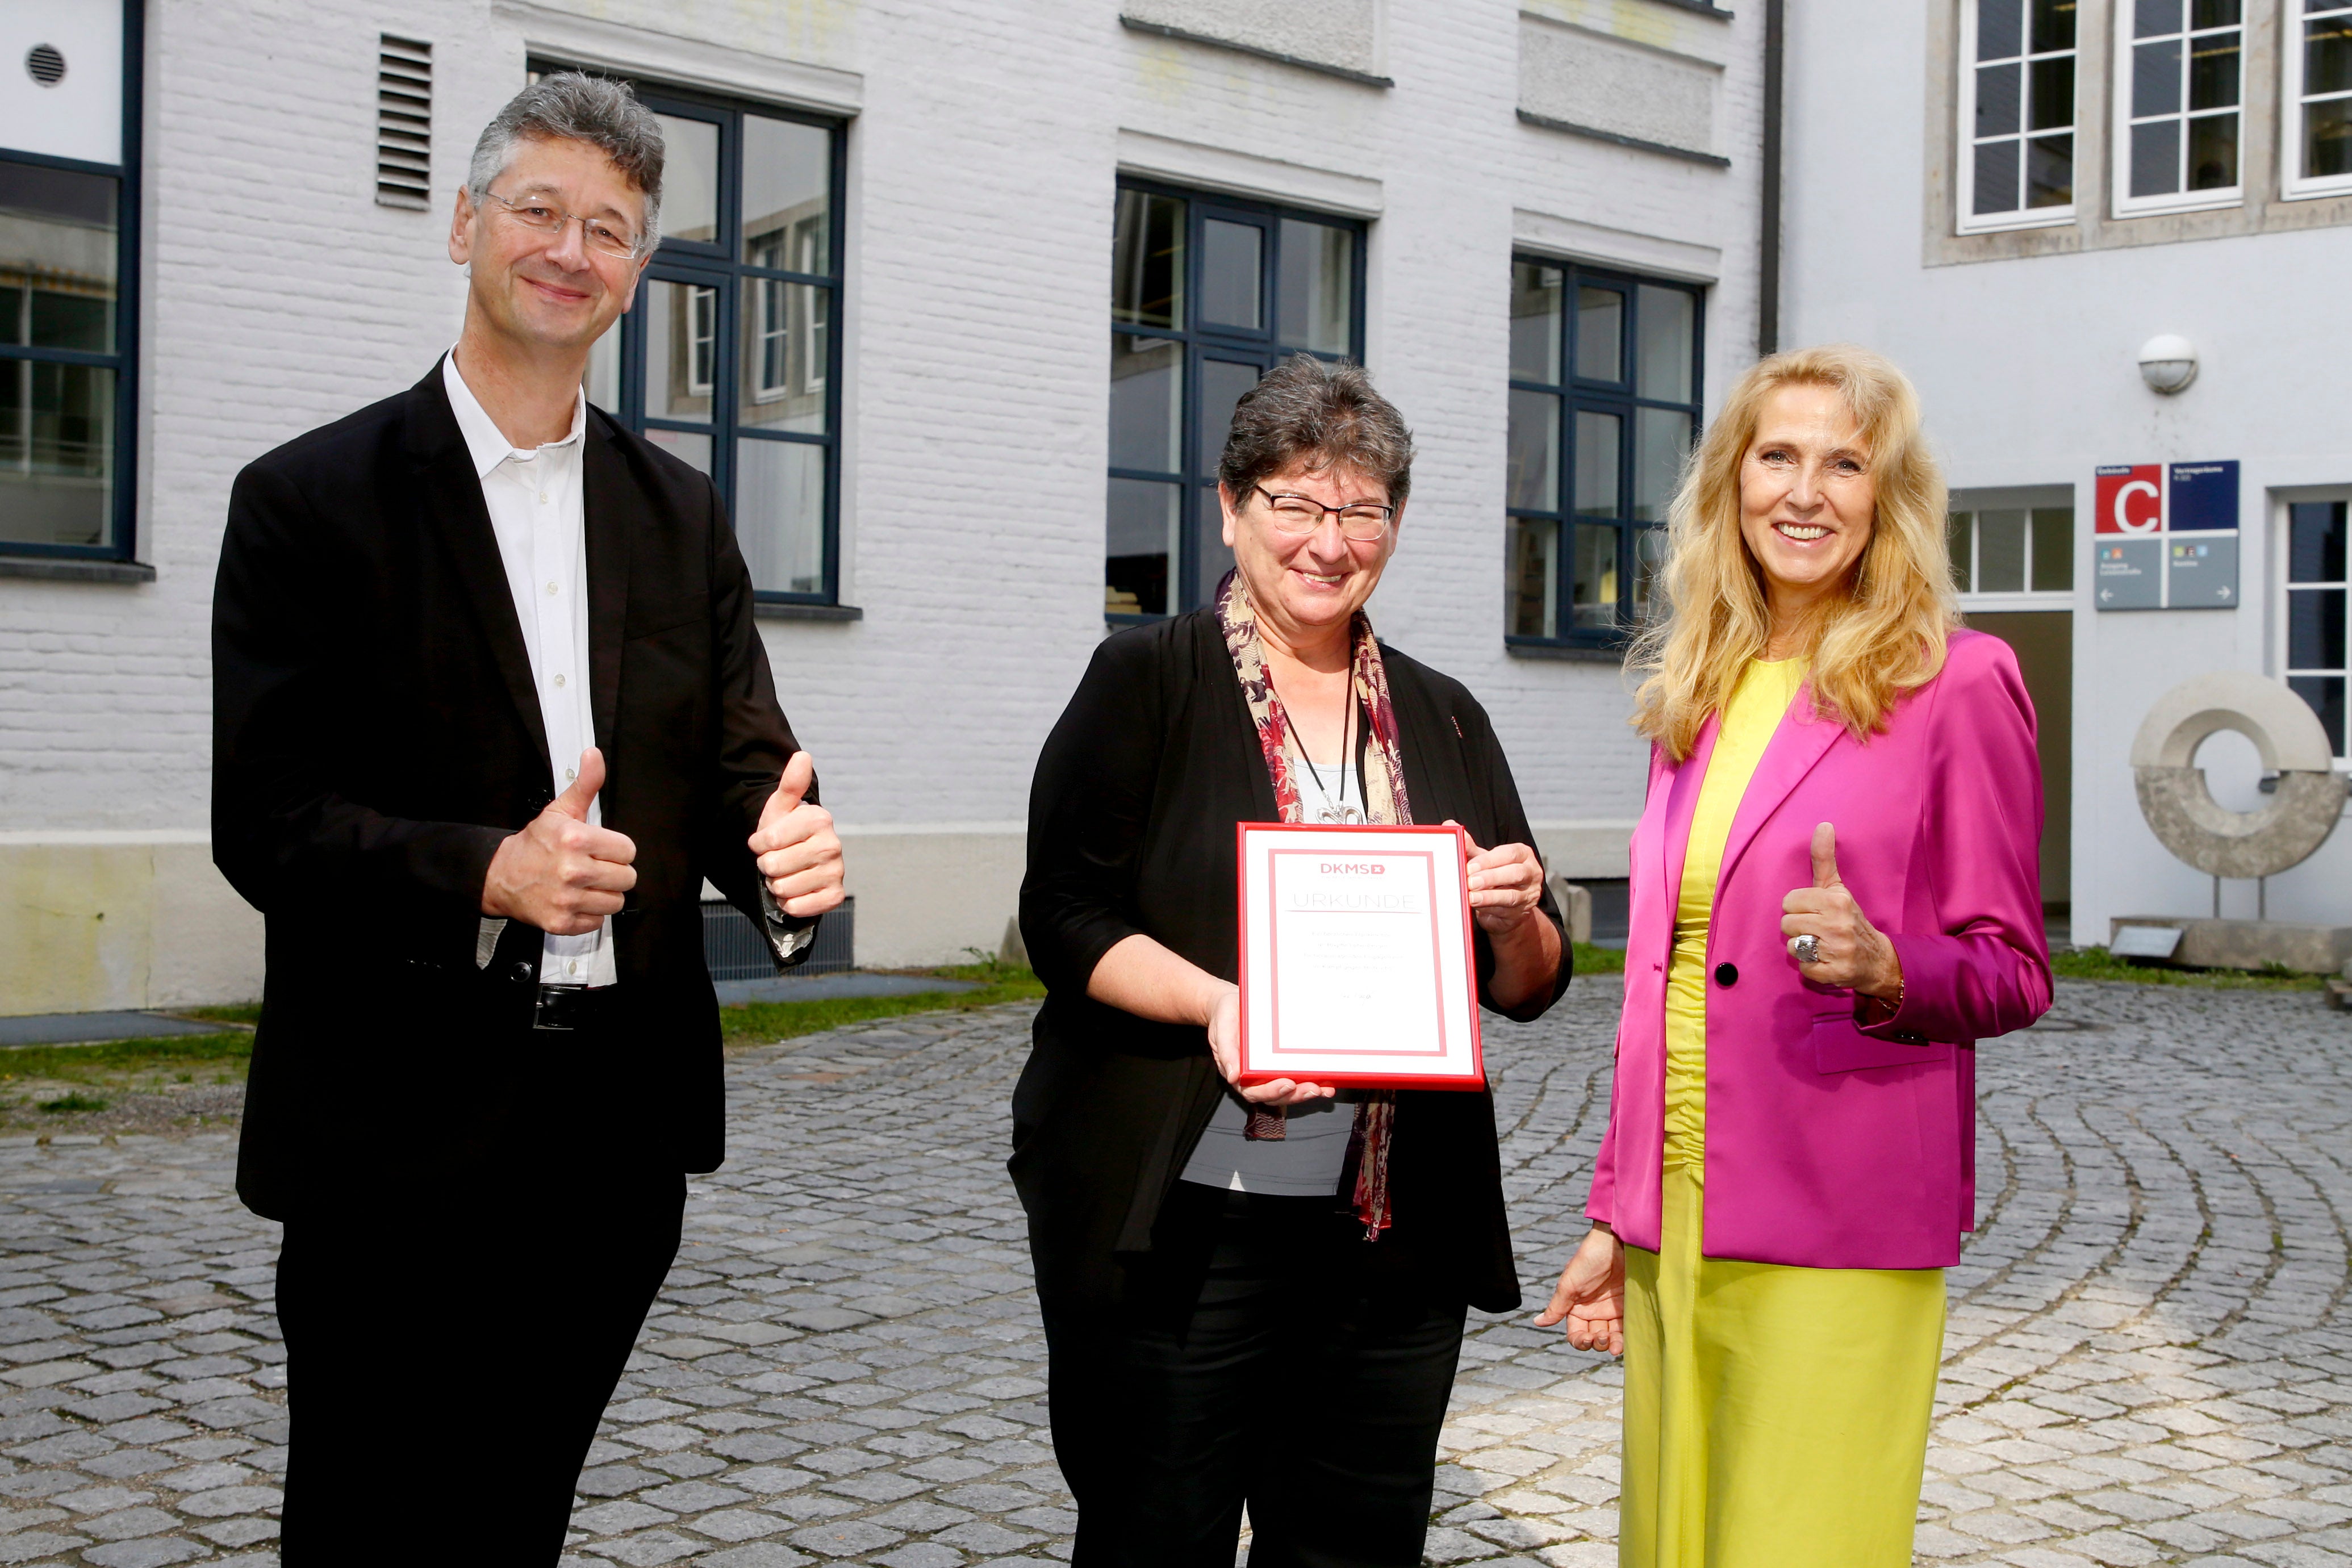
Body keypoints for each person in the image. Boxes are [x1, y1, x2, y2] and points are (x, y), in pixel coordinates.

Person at [210, 74, 846, 1562]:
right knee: (367, 1526)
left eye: (610, 227)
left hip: (612, 1134)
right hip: (394, 1120)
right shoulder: (311, 501)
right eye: (539, 209)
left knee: (517, 1523)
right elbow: (269, 819)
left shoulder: (678, 511)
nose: (571, 247)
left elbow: (750, 762)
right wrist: (487, 869)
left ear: (638, 269)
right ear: (465, 226)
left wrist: (787, 860)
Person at [1016, 354, 1573, 1568]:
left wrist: (1512, 914)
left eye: (1361, 507)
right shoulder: (1146, 680)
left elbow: (1529, 986)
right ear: (1230, 507)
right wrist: (1220, 1005)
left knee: (1355, 1546)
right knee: (1155, 1533)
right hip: (1181, 1219)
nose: (1330, 539)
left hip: (1387, 1227)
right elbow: (1060, 916)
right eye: (1297, 503)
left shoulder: (1446, 713)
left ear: (1396, 522)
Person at [1536, 346, 2052, 1565]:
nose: (1804, 491)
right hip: (1681, 1227)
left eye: (1844, 462)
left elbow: (2013, 968)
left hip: (1841, 1214)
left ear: (1887, 497)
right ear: (1731, 481)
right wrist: (1619, 1207)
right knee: (1678, 1546)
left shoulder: (1958, 681)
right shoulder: (1694, 691)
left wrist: (1884, 965)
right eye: (1778, 456)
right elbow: (1663, 977)